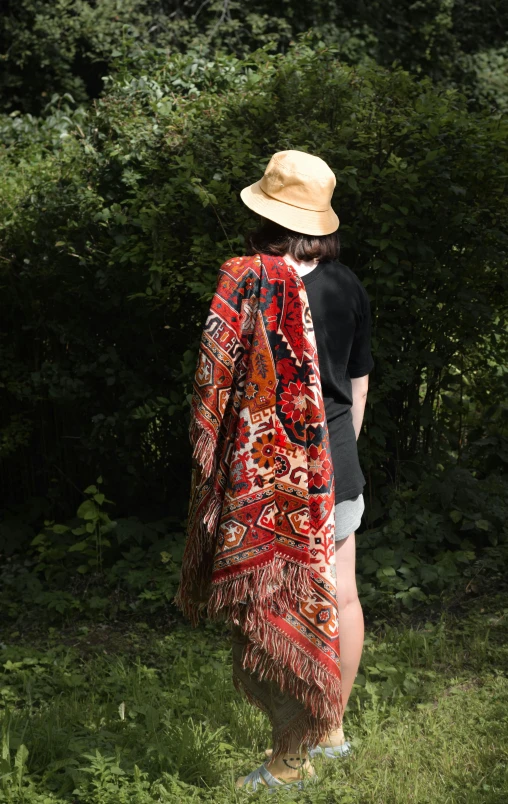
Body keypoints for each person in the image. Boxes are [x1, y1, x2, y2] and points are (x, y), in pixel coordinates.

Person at [175, 150, 374, 792]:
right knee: (339, 596)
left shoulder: (249, 281)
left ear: (265, 213)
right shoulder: (348, 285)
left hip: (271, 484)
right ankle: (333, 730)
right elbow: (359, 385)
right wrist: (332, 461)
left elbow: (215, 385)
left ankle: (289, 764)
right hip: (339, 467)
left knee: (279, 614)